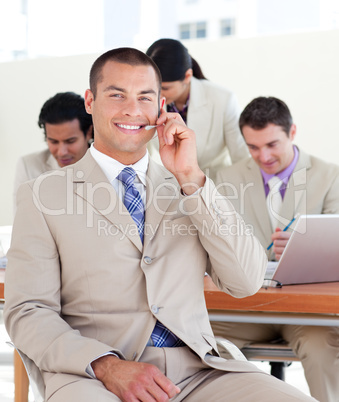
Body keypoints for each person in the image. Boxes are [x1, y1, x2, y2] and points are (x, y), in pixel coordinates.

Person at [4, 49, 315, 402]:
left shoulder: (190, 185)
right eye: (116, 94)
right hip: (94, 377)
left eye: (144, 97)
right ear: (90, 101)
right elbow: (27, 311)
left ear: (161, 107)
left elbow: (245, 282)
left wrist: (191, 177)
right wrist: (106, 365)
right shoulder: (42, 194)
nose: (132, 109)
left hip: (199, 373)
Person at [213, 96, 339, 402]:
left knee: (322, 350)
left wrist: (303, 248)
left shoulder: (329, 175)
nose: (263, 156)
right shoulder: (227, 179)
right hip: (247, 306)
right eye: (253, 147)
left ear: (292, 132)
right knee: (198, 341)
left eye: (272, 145)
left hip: (305, 313)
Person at [145, 38, 248, 182]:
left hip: (217, 188)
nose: (158, 94)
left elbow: (242, 160)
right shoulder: (147, 100)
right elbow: (141, 153)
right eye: (153, 87)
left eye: (165, 88)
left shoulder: (223, 99)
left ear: (187, 76)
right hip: (171, 190)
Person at [13, 91, 93, 208]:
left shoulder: (107, 164)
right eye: (53, 141)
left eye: (70, 141)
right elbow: (22, 222)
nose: (61, 152)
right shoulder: (28, 166)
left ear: (89, 133)